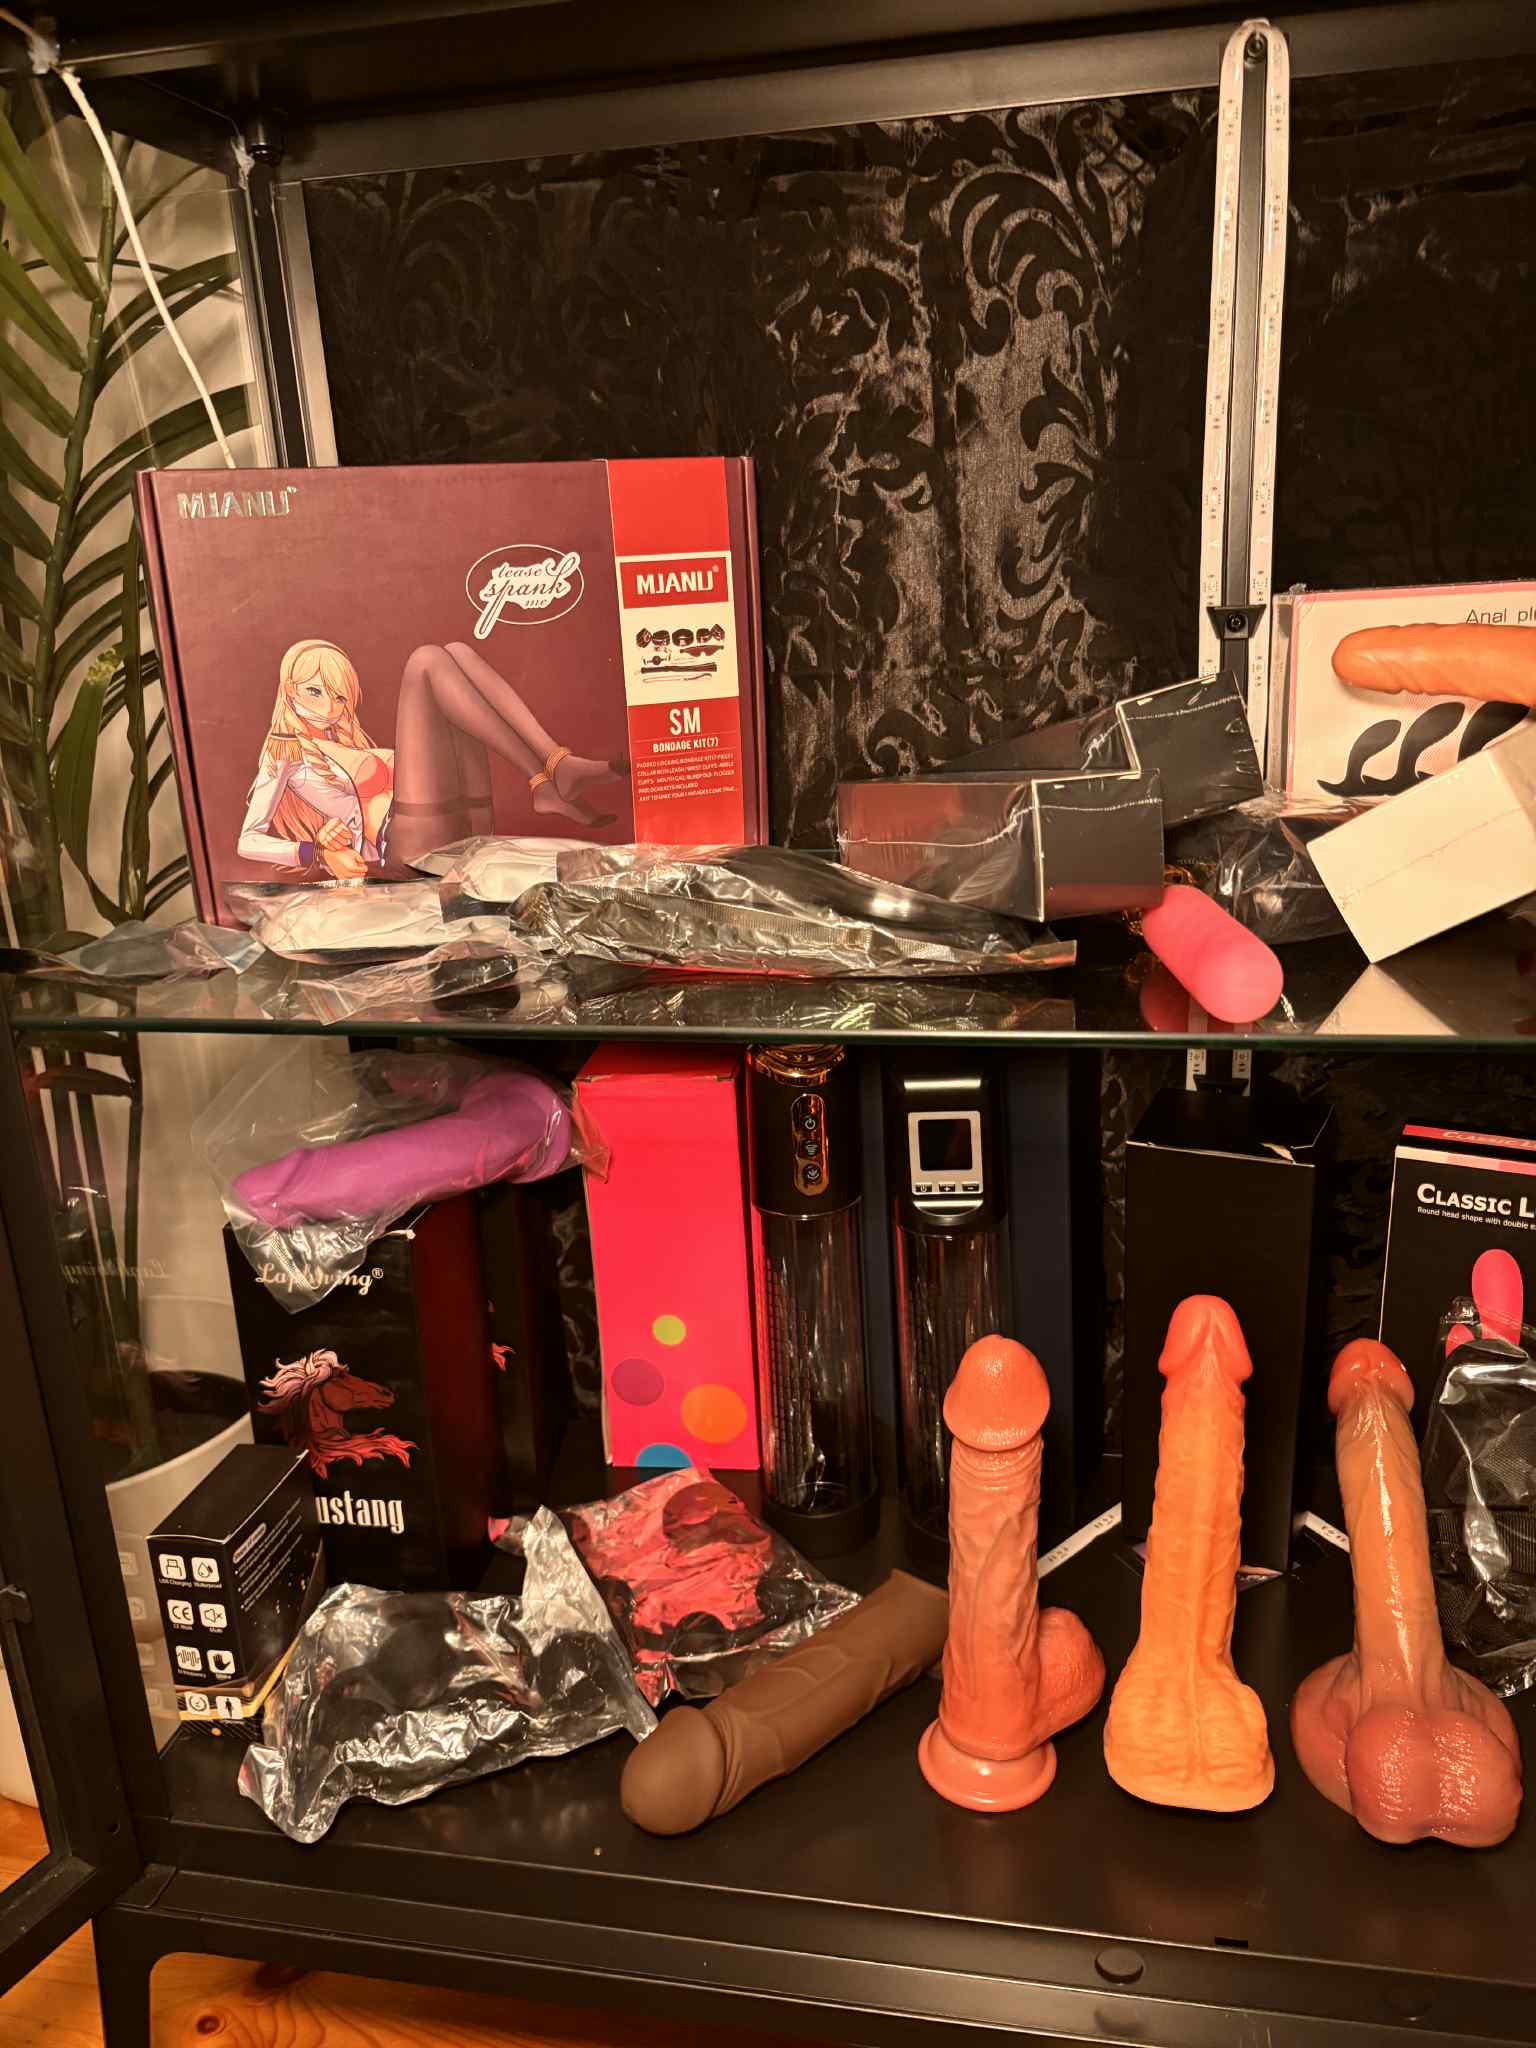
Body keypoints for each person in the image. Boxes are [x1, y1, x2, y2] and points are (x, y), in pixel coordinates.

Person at [238, 636, 627, 876]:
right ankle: (544, 778)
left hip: (464, 822)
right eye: (314, 692)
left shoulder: (347, 740)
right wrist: (317, 852)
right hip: (410, 848)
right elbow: (248, 841)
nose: (328, 707)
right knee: (426, 661)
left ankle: (555, 764)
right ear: (289, 690)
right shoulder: (283, 753)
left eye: (339, 697)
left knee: (458, 652)